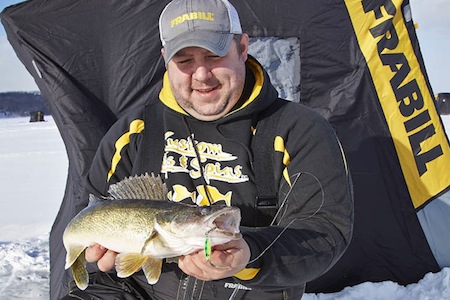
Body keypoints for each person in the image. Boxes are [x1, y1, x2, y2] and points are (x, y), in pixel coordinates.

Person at [63, 0, 353, 299]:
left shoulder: (298, 129)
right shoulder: (133, 132)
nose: (201, 74)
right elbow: (92, 208)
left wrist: (249, 255)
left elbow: (325, 231)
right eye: (184, 60)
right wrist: (95, 257)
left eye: (214, 55)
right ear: (165, 59)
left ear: (242, 48)